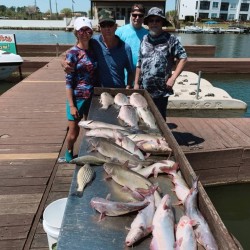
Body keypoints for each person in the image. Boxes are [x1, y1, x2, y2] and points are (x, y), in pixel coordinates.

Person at [134, 7, 188, 120]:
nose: (154, 23)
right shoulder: (144, 39)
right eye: (151, 20)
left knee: (159, 120)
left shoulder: (171, 39)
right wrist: (136, 83)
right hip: (144, 89)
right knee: (143, 118)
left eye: (157, 20)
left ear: (162, 22)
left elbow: (183, 58)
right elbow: (139, 63)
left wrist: (172, 78)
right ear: (147, 23)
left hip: (161, 91)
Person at [63, 9, 134, 89]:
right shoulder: (93, 42)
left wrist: (128, 87)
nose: (107, 28)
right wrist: (63, 62)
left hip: (119, 91)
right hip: (98, 91)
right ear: (99, 28)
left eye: (110, 24)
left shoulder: (125, 48)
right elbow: (75, 49)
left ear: (115, 26)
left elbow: (131, 71)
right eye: (103, 25)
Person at [64, 17, 97, 163]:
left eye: (87, 29)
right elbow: (68, 83)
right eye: (81, 30)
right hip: (77, 98)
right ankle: (69, 152)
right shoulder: (72, 53)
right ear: (76, 32)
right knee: (73, 132)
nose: (84, 33)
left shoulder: (94, 49)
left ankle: (89, 152)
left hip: (92, 97)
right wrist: (72, 105)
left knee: (91, 130)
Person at [115, 4, 148, 85]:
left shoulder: (148, 35)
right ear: (130, 15)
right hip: (122, 79)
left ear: (144, 17)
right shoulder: (120, 31)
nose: (137, 18)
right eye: (134, 15)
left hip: (141, 80)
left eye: (140, 16)